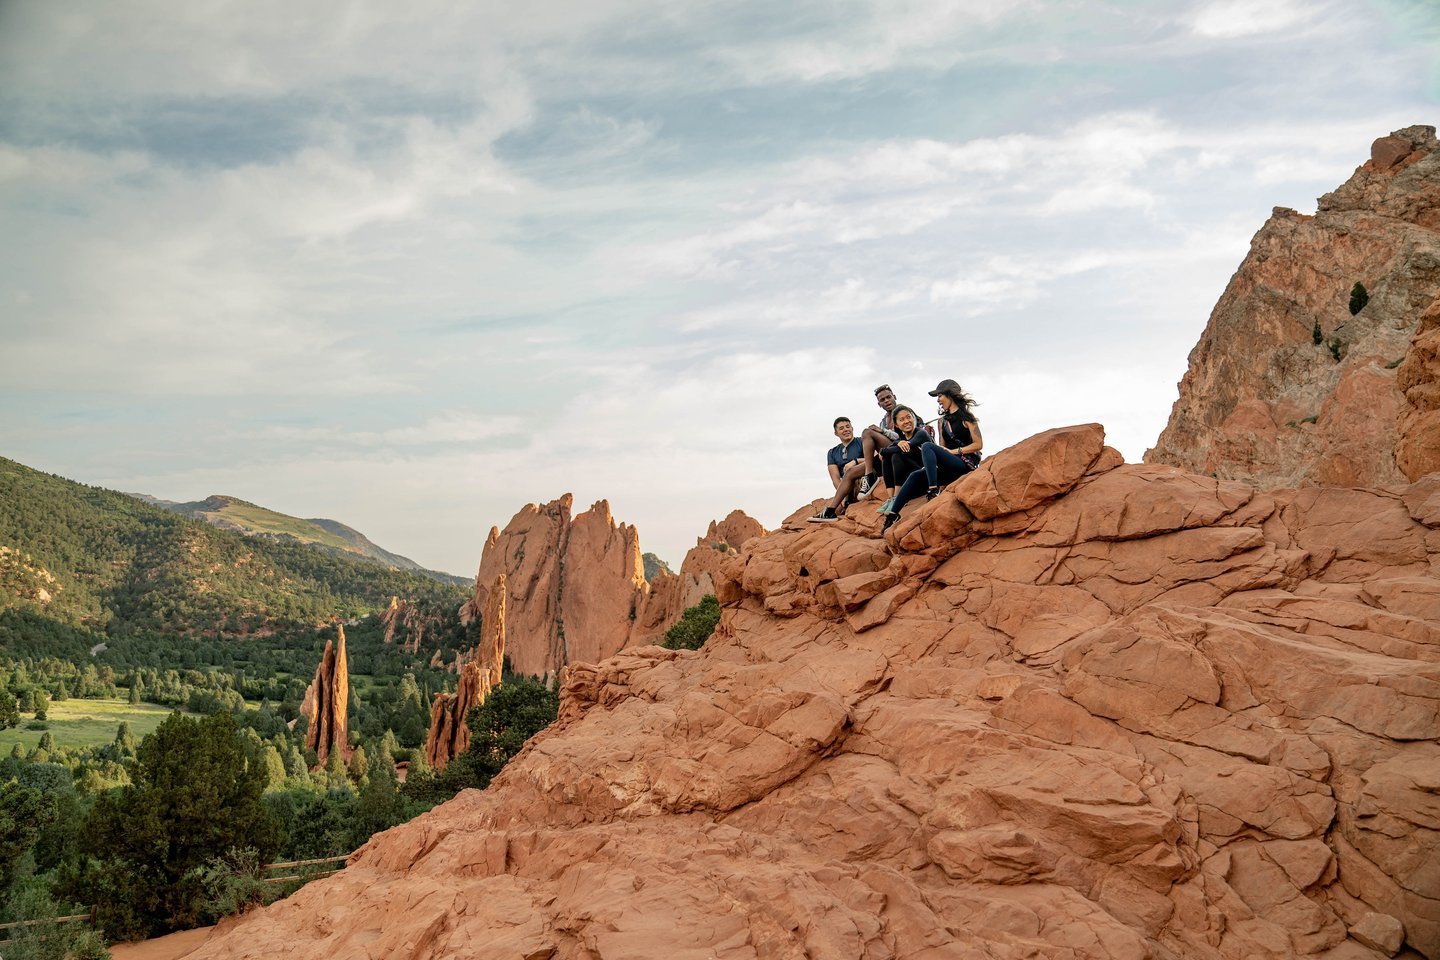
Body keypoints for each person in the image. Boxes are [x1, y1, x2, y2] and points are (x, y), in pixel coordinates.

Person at [881, 379, 983, 532]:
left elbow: (978, 445)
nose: (938, 400)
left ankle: (933, 490)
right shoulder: (942, 421)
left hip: (965, 464)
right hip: (949, 467)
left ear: (950, 395)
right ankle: (892, 516)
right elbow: (941, 448)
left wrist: (954, 452)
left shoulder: (967, 418)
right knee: (915, 475)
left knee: (928, 445)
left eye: (940, 396)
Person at [874, 406, 931, 515]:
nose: (906, 421)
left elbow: (892, 449)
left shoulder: (921, 433)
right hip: (909, 482)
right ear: (896, 425)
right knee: (887, 458)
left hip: (923, 479)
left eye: (909, 417)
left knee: (896, 454)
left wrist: (884, 450)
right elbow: (889, 450)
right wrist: (895, 445)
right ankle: (891, 498)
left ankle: (897, 497)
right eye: (901, 420)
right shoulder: (901, 440)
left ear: (914, 418)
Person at [809, 416, 865, 522]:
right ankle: (839, 506)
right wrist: (843, 496)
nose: (846, 430)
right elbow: (835, 478)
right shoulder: (832, 452)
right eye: (841, 428)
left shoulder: (862, 442)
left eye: (848, 427)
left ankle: (832, 511)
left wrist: (856, 461)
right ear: (836, 433)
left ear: (852, 428)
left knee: (851, 472)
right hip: (846, 487)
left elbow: (875, 459)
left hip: (862, 480)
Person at [856, 384, 903, 499]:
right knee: (850, 472)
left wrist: (882, 431)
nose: (886, 401)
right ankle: (831, 511)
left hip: (903, 451)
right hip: (887, 454)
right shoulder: (884, 421)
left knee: (867, 432)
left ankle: (869, 475)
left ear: (894, 397)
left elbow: (905, 436)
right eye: (882, 400)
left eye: (888, 397)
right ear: (879, 404)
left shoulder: (903, 412)